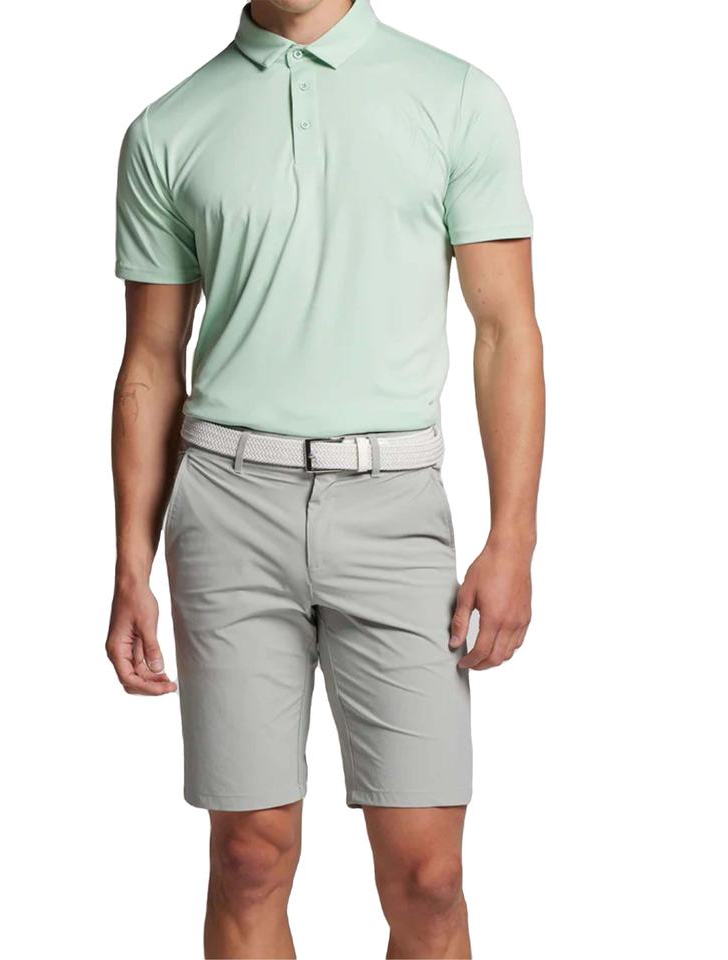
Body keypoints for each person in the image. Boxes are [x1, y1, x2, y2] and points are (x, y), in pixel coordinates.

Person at [106, 0, 544, 955]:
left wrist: (513, 537)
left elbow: (506, 331)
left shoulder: (456, 98)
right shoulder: (168, 127)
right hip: (227, 509)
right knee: (250, 857)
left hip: (396, 506)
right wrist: (131, 564)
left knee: (430, 876)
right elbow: (150, 361)